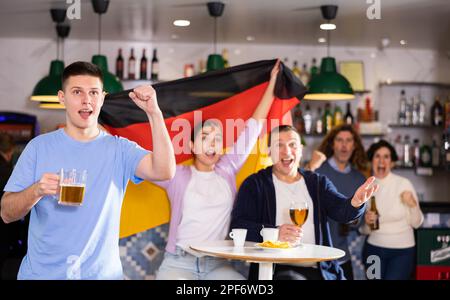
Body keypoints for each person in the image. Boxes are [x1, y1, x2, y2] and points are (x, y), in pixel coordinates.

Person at [0, 61, 176, 279]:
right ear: (62, 98)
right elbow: (6, 213)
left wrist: (154, 113)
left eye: (93, 92)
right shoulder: (38, 148)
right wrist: (36, 190)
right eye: (77, 92)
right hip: (42, 274)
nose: (86, 100)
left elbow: (165, 170)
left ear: (102, 98)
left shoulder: (120, 149)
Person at [154, 61, 281, 280]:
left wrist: (272, 83)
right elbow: (144, 160)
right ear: (192, 146)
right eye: (205, 138)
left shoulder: (228, 169)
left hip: (217, 264)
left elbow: (255, 124)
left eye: (217, 139)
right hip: (178, 263)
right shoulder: (176, 175)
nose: (212, 144)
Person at [231, 125, 378, 280]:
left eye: (292, 144)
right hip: (275, 272)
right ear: (268, 151)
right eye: (278, 145)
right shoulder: (254, 184)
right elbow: (238, 226)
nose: (286, 151)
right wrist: (274, 233)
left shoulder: (318, 182)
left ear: (300, 150)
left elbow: (342, 211)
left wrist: (355, 202)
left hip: (318, 271)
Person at [361, 140, 423, 280]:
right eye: (377, 156)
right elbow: (363, 230)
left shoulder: (403, 184)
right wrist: (367, 223)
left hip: (402, 252)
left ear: (392, 162)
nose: (381, 161)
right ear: (371, 161)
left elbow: (417, 223)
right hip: (374, 250)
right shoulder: (366, 187)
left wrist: (413, 205)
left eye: (386, 157)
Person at [315, 124, 368, 279]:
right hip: (316, 257)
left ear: (354, 146)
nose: (344, 145)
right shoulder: (318, 172)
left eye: (349, 140)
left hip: (342, 256)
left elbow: (359, 222)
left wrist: (353, 220)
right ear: (332, 144)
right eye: (339, 140)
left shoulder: (359, 179)